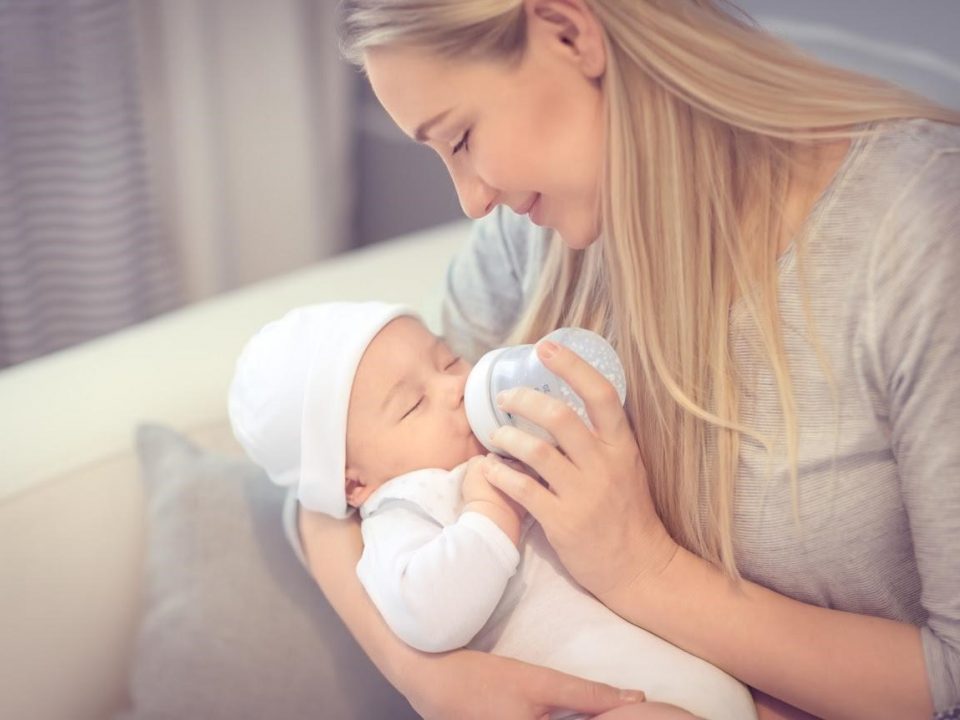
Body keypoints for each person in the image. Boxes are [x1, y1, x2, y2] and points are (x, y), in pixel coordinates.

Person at [295, 1, 960, 718]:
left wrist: (644, 571)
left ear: (569, 33)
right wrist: (429, 678)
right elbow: (328, 473)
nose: (473, 200)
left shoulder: (919, 230)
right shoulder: (539, 239)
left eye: (460, 139)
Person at [227, 300, 758, 720]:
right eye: (413, 404)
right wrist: (489, 512)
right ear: (355, 483)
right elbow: (426, 615)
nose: (455, 387)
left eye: (447, 359)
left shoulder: (500, 440)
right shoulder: (403, 509)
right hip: (595, 704)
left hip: (701, 674)